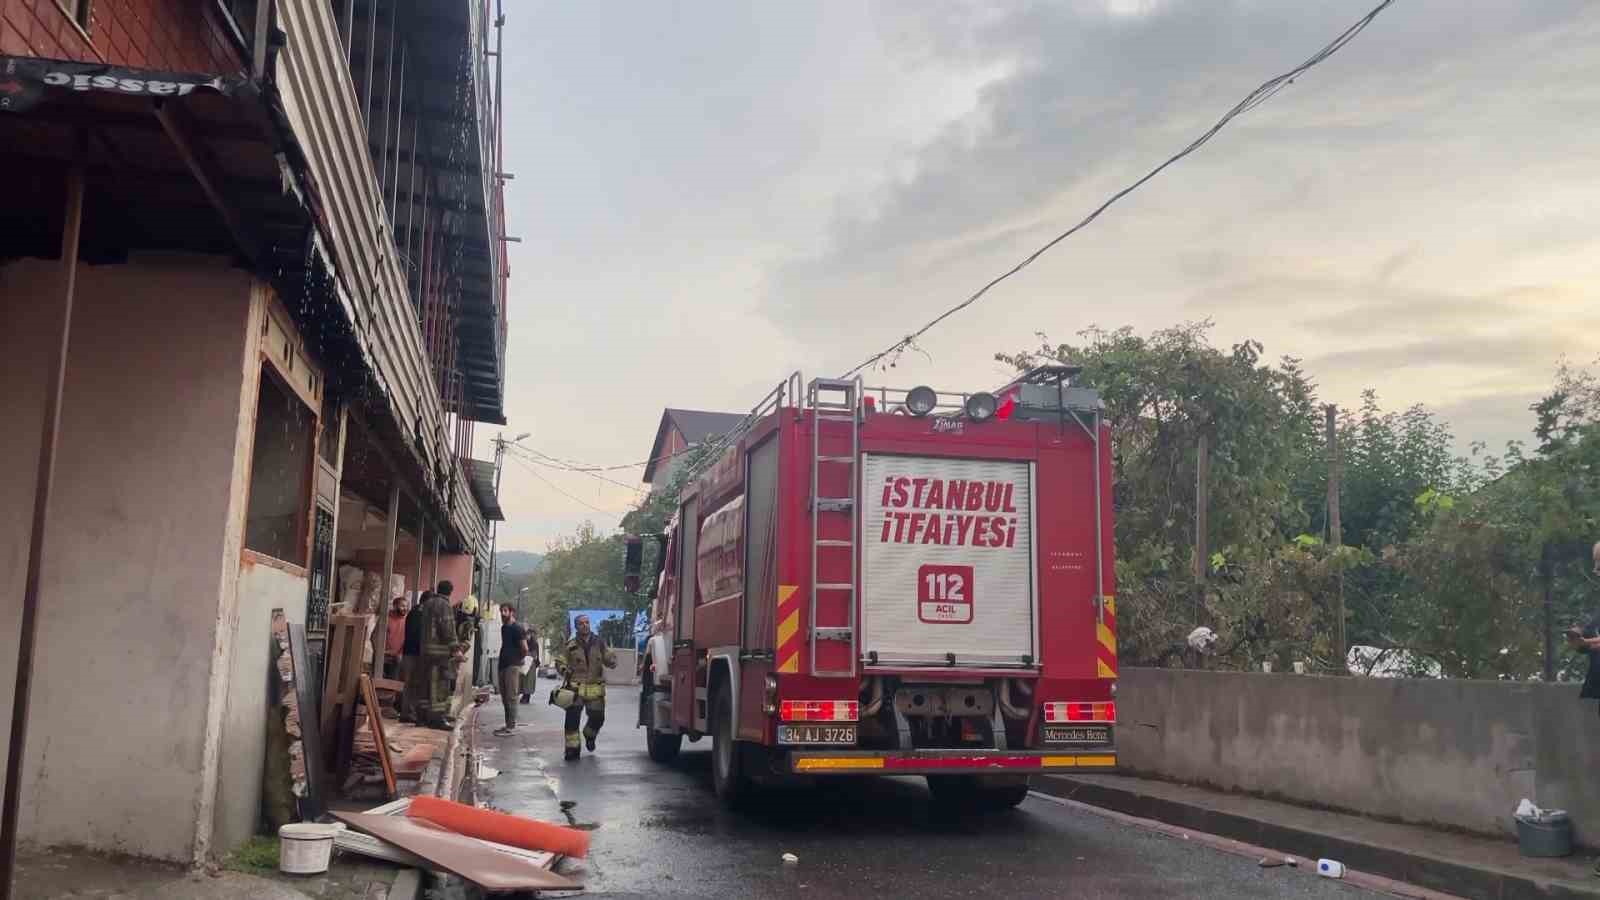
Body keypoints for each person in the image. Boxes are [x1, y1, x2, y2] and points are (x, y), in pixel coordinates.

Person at [558, 614, 617, 761]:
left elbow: (610, 658)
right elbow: (560, 661)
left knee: (598, 718)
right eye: (581, 623)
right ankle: (572, 749)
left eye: (587, 622)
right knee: (572, 720)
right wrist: (564, 669)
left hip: (594, 689)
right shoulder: (570, 645)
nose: (585, 625)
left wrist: (611, 660)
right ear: (576, 627)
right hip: (575, 690)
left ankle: (589, 735)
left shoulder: (599, 643)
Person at [415, 582, 462, 729]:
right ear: (450, 592)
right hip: (440, 653)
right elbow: (447, 628)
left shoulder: (427, 604)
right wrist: (455, 648)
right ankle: (437, 719)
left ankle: (421, 717)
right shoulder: (444, 605)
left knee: (425, 686)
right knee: (440, 686)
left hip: (425, 651)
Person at [494, 605, 529, 736]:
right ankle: (507, 724)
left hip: (512, 666)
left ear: (511, 612)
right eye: (501, 611)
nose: (502, 614)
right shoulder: (504, 628)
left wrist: (518, 660)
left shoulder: (517, 628)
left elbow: (524, 648)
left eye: (505, 611)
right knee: (504, 697)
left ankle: (511, 727)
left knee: (511, 697)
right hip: (503, 665)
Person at [399, 592, 427, 723]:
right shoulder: (419, 614)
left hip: (408, 652)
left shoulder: (413, 612)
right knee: (413, 684)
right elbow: (419, 635)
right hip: (414, 654)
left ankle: (407, 712)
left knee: (409, 684)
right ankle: (409, 713)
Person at [383, 596, 409, 681]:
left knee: (395, 685)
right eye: (402, 606)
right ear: (394, 606)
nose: (404, 608)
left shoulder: (407, 621)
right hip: (385, 658)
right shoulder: (386, 619)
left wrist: (400, 654)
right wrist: (382, 652)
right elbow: (374, 638)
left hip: (398, 659)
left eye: (406, 606)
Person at [519, 627, 540, 703]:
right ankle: (525, 696)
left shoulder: (534, 643)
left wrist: (527, 654)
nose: (527, 636)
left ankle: (526, 697)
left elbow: (535, 654)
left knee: (529, 682)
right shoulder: (525, 642)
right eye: (526, 634)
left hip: (531, 664)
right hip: (526, 664)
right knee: (524, 681)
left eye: (529, 634)